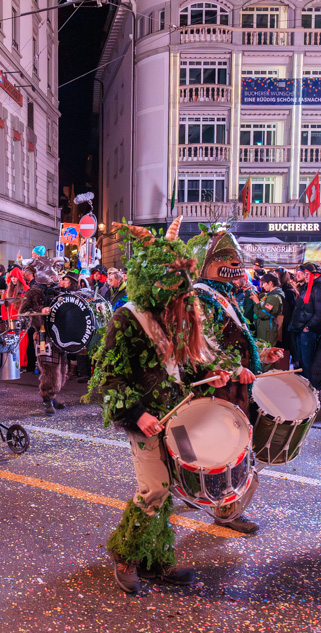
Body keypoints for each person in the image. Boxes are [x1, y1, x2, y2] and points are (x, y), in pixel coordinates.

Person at [88, 219, 230, 595]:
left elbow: (186, 363)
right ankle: (127, 557)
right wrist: (137, 414)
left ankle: (156, 560)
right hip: (147, 419)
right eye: (172, 293)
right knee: (153, 490)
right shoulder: (127, 318)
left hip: (178, 416)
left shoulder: (176, 312)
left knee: (168, 490)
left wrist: (212, 374)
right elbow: (108, 380)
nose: (179, 301)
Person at [191, 224, 283, 534]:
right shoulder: (201, 297)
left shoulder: (224, 296)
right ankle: (226, 509)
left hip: (236, 389)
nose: (234, 265)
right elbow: (202, 344)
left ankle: (213, 498)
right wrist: (232, 369)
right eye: (226, 258)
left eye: (236, 258)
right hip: (219, 387)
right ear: (207, 262)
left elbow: (237, 339)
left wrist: (262, 352)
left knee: (231, 448)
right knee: (226, 451)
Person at [19, 255, 73, 414]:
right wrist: (39, 313)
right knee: (50, 369)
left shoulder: (58, 291)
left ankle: (52, 396)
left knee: (62, 367)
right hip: (43, 335)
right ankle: (47, 399)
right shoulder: (33, 292)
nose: (54, 274)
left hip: (59, 335)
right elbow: (23, 312)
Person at [288, 262, 321, 380]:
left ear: (315, 275)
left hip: (308, 331)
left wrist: (308, 327)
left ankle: (310, 386)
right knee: (301, 360)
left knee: (307, 362)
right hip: (300, 329)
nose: (305, 276)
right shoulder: (308, 287)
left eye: (307, 274)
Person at [249, 272, 284, 353]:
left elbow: (263, 314)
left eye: (264, 283)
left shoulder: (274, 297)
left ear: (270, 283)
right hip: (264, 328)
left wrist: (257, 302)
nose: (262, 286)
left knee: (266, 353)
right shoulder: (270, 296)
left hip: (267, 330)